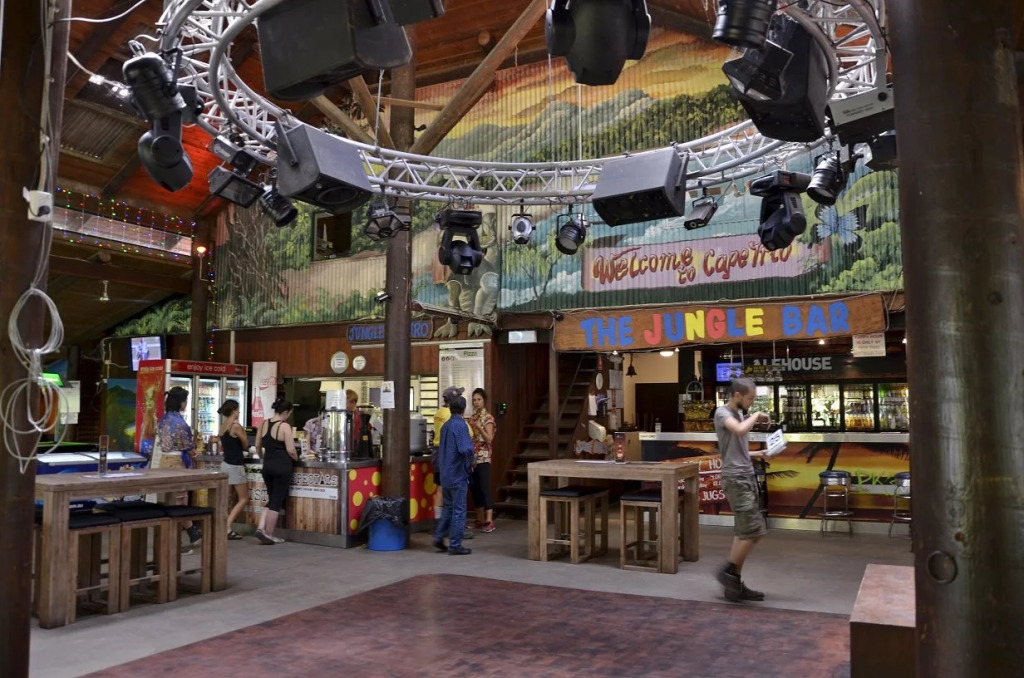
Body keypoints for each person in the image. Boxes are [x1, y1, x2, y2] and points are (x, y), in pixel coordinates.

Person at [714, 378, 770, 602]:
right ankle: (727, 572)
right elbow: (738, 431)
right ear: (737, 395)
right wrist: (755, 416)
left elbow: (736, 449)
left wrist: (757, 454)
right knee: (754, 530)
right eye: (750, 398)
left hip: (745, 476)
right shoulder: (722, 413)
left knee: (744, 532)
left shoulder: (737, 414)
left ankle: (733, 586)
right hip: (736, 479)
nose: (752, 402)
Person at [155, 386, 201, 549]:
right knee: (179, 502)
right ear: (181, 402)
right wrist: (194, 453)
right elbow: (187, 447)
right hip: (176, 463)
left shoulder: (162, 419)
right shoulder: (180, 423)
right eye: (185, 401)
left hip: (163, 461)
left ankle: (190, 532)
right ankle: (177, 542)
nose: (186, 404)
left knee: (171, 501)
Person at [432, 394, 474, 556]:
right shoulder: (460, 425)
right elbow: (466, 449)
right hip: (458, 473)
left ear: (450, 408)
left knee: (448, 508)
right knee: (459, 510)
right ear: (463, 409)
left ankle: (439, 536)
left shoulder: (445, 426)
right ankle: (455, 545)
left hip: (445, 473)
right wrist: (469, 464)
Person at [254, 397, 298, 545]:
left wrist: (263, 458)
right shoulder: (284, 426)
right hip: (282, 467)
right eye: (289, 414)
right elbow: (291, 450)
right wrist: (297, 459)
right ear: (285, 412)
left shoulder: (264, 423)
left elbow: (258, 446)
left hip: (267, 467)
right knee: (276, 502)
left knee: (272, 498)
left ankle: (261, 528)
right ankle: (269, 535)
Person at [216, 399, 249, 540]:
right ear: (234, 410)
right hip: (236, 465)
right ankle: (227, 527)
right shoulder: (235, 426)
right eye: (238, 409)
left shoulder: (223, 426)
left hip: (225, 464)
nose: (239, 412)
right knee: (244, 498)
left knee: (227, 499)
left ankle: (221, 526)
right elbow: (245, 444)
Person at [469, 388, 496, 533]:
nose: (476, 402)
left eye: (479, 399)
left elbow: (489, 439)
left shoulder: (488, 417)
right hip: (472, 456)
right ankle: (480, 518)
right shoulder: (472, 417)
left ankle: (489, 520)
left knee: (485, 487)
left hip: (484, 456)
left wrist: (479, 427)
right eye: (474, 400)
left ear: (484, 400)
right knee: (475, 488)